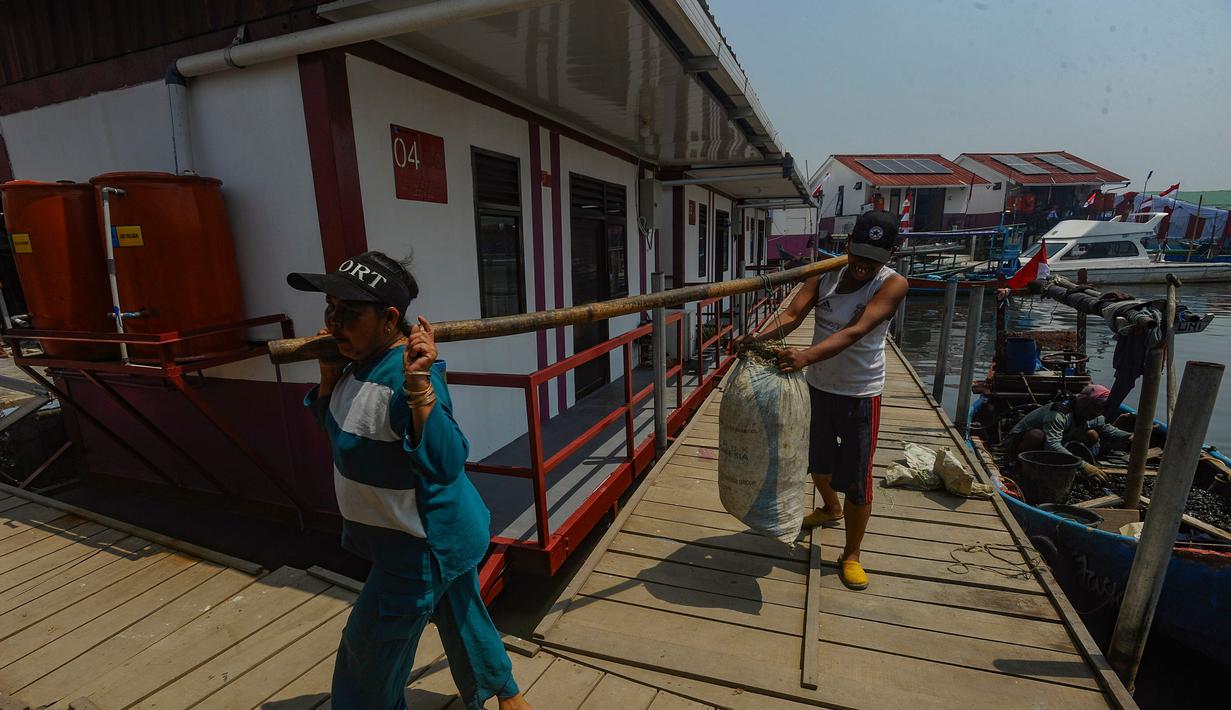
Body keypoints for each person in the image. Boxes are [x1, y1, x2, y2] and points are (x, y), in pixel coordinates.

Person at [289, 252, 531, 710]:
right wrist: (326, 379)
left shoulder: (406, 378)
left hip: (423, 545)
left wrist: (420, 385)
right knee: (462, 616)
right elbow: (344, 437)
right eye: (330, 310)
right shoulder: (351, 365)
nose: (334, 324)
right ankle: (509, 698)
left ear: (390, 319)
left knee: (369, 655)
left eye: (350, 314)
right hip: (413, 536)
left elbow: (446, 461)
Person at [733, 210, 907, 591]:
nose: (863, 265)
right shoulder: (824, 273)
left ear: (889, 255)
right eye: (858, 254)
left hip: (861, 393)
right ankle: (830, 508)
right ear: (847, 246)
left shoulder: (892, 284)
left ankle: (852, 554)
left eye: (874, 258)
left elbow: (856, 331)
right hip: (817, 388)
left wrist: (805, 357)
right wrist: (757, 340)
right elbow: (793, 315)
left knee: (859, 480)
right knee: (816, 462)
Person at [1003, 384, 1134, 481]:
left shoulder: (1095, 416)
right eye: (1096, 407)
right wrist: (1082, 465)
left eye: (1102, 408)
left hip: (1055, 443)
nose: (1098, 412)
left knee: (1092, 434)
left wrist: (1132, 436)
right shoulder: (1059, 414)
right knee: (1037, 435)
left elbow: (1109, 430)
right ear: (1085, 403)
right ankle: (1018, 467)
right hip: (1018, 443)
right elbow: (1052, 444)